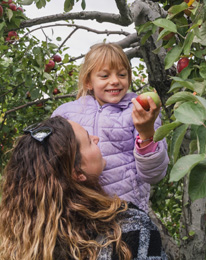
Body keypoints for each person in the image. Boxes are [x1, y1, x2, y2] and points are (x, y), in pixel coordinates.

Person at [0, 116, 168, 260]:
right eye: (89, 140)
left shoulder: (28, 243)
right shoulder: (129, 228)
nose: (96, 138)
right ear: (78, 172)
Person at [52, 42, 169, 212]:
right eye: (105, 76)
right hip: (78, 211)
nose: (115, 81)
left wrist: (146, 134)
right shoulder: (66, 114)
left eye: (121, 74)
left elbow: (154, 174)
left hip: (124, 211)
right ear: (88, 82)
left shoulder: (140, 112)